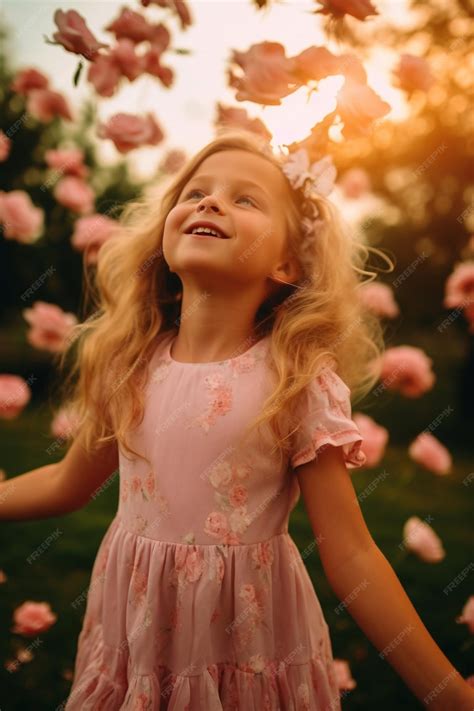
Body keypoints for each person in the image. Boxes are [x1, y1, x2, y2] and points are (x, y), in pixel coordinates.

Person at [2, 129, 473, 710]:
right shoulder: (130, 363)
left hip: (243, 648)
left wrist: (450, 696)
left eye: (245, 199)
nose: (210, 202)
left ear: (286, 261)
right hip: (134, 636)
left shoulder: (295, 380)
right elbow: (65, 483)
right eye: (195, 192)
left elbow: (350, 554)